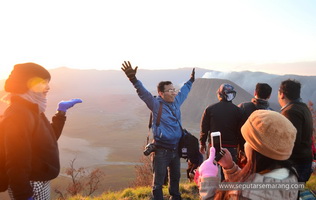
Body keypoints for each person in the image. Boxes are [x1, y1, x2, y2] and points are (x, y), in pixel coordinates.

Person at [0, 62, 82, 200]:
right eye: (43, 82)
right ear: (26, 85)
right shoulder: (18, 116)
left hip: (38, 182)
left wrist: (60, 113)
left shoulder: (32, 109)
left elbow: (49, 139)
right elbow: (16, 163)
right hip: (31, 185)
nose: (48, 87)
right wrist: (24, 195)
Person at [121, 61, 194, 200]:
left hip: (175, 149)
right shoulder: (156, 105)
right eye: (170, 90)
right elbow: (143, 93)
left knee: (175, 177)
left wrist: (191, 80)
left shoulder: (177, 101)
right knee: (158, 182)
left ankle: (175, 197)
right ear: (161, 93)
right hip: (161, 151)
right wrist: (133, 79)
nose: (173, 92)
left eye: (174, 89)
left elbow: (184, 91)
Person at [197, 110, 299, 200]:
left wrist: (208, 180)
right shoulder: (290, 177)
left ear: (257, 149)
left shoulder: (245, 194)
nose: (245, 145)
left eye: (247, 141)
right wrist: (230, 168)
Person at [278, 79, 314, 183]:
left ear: (282, 94)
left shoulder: (291, 111)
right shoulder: (303, 107)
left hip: (296, 163)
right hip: (305, 159)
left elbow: (292, 141)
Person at [200, 83, 242, 162]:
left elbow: (204, 129)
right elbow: (241, 132)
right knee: (229, 172)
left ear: (220, 94)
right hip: (232, 148)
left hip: (214, 146)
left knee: (211, 172)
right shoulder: (238, 111)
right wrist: (241, 149)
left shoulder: (210, 109)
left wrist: (202, 143)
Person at [237, 83, 272, 157]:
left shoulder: (243, 107)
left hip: (244, 151)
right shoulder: (272, 114)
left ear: (255, 92)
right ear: (269, 96)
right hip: (264, 154)